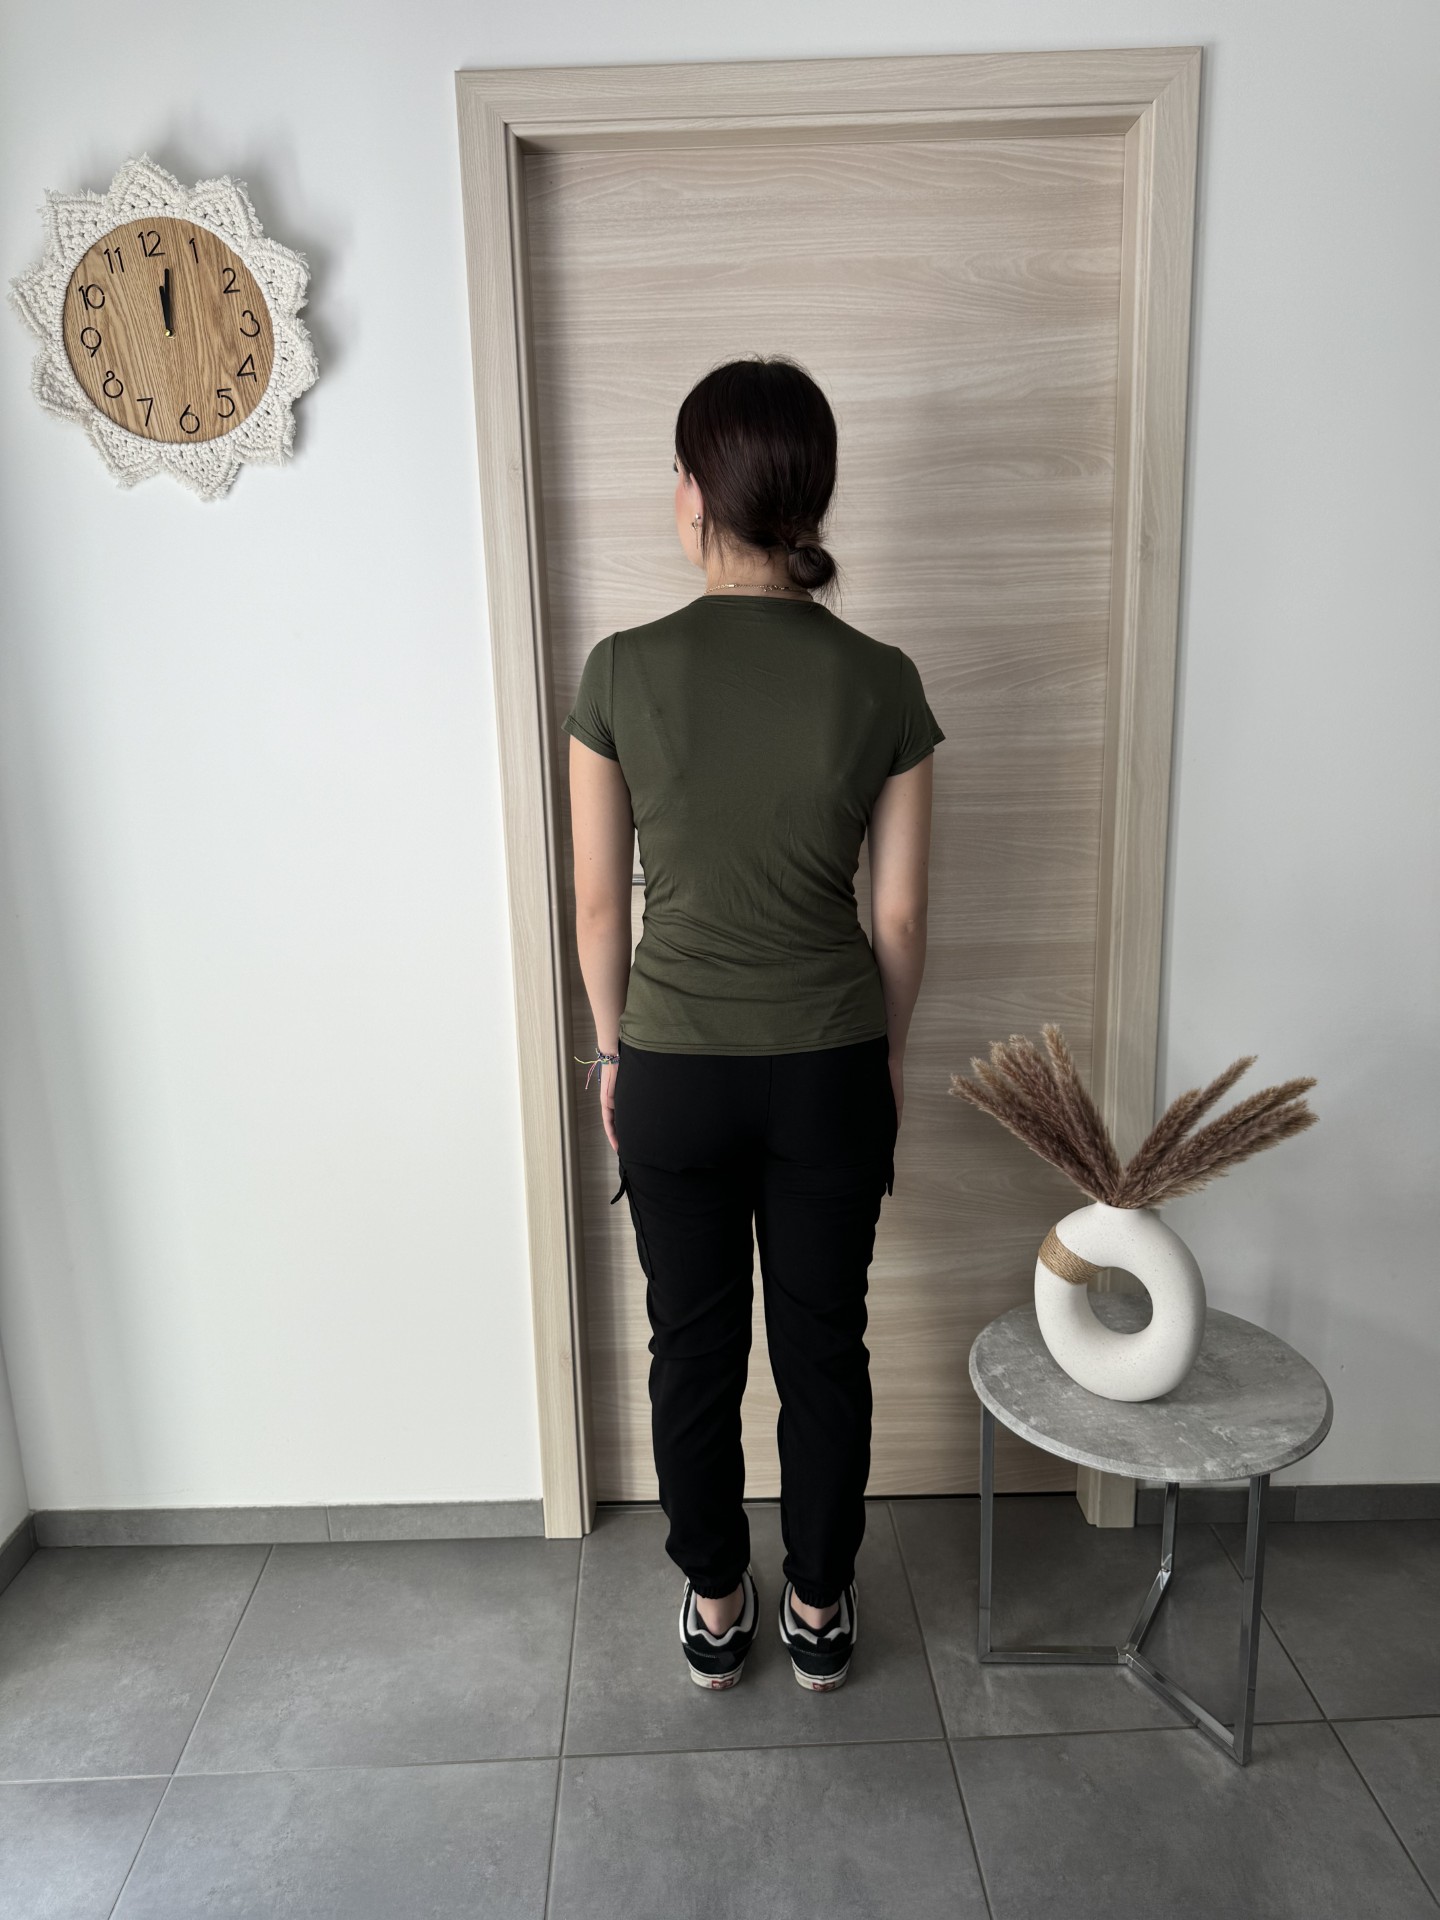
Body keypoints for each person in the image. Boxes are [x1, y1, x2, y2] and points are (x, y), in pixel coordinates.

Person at [562, 353, 943, 1693]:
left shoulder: (621, 671)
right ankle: (821, 1607)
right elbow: (900, 920)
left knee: (693, 1348)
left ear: (694, 493)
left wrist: (612, 1049)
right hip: (830, 1064)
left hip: (674, 1064)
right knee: (824, 1347)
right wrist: (886, 1055)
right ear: (810, 499)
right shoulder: (883, 681)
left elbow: (598, 907)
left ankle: (719, 1605)